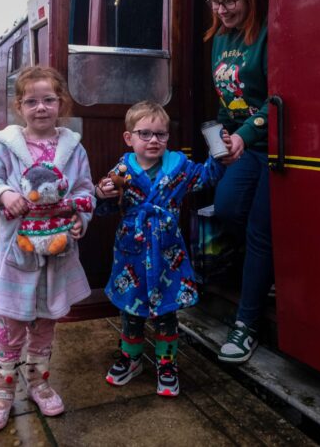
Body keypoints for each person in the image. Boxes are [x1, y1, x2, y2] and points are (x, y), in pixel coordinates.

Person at [0, 66, 95, 428]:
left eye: (48, 100)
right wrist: (5, 194)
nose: (40, 107)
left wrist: (81, 218)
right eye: (31, 101)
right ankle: (3, 390)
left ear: (61, 104)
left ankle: (39, 385)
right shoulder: (6, 147)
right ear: (18, 106)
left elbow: (84, 192)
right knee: (10, 324)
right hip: (17, 254)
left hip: (57, 252)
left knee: (45, 322)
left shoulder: (73, 149)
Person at [95, 101, 229, 397]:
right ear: (129, 138)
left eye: (161, 134)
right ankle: (131, 359)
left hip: (167, 253)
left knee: (166, 312)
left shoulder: (179, 166)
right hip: (132, 253)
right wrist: (100, 192)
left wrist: (221, 154)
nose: (154, 140)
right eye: (145, 134)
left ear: (168, 137)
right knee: (131, 310)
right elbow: (104, 204)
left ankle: (166, 364)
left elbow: (206, 177)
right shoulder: (122, 168)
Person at [204, 0, 272, 363]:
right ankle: (264, 273)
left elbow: (282, 99)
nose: (222, 10)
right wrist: (225, 132)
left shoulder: (268, 33)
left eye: (230, 1)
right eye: (215, 2)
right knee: (228, 208)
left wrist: (246, 134)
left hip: (273, 148)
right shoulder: (219, 40)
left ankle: (247, 324)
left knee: (261, 232)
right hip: (240, 144)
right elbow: (229, 101)